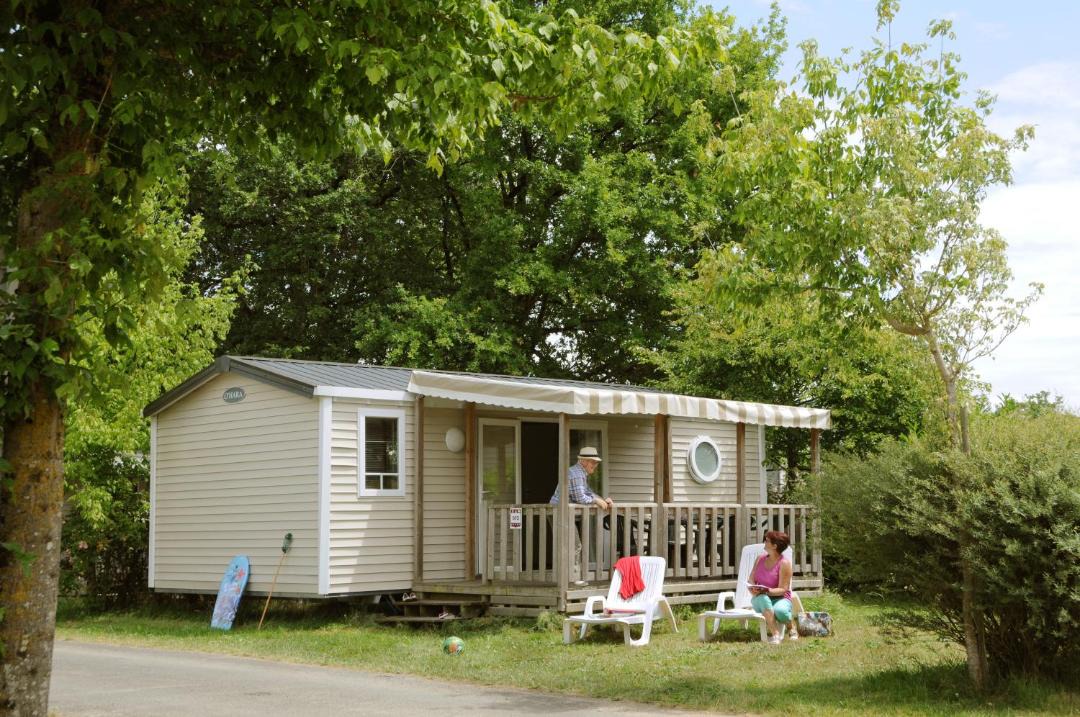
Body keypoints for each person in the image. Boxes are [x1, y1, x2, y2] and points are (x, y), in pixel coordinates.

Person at [549, 446, 613, 586]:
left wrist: (603, 499)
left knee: (570, 544)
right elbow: (581, 498)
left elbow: (588, 492)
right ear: (583, 461)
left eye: (596, 463)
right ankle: (572, 578)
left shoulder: (579, 473)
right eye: (593, 462)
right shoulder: (577, 474)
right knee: (574, 545)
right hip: (560, 513)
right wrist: (597, 501)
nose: (595, 466)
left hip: (561, 513)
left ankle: (568, 578)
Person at [749, 530, 797, 644]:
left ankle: (792, 628)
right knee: (763, 598)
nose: (764, 542)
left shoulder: (784, 563)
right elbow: (751, 579)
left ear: (774, 546)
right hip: (759, 599)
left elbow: (783, 590)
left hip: (780, 598)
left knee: (780, 611)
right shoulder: (760, 559)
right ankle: (775, 634)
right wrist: (753, 588)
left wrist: (766, 591)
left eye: (767, 541)